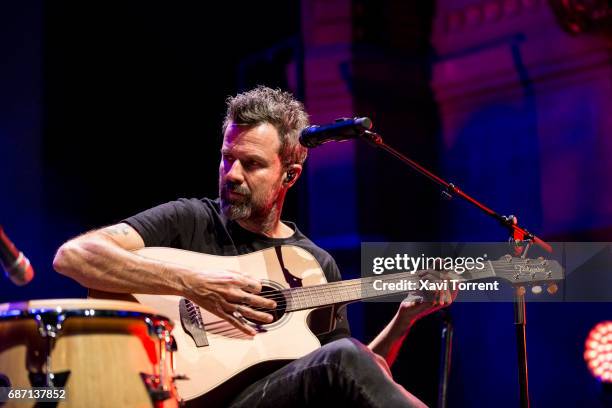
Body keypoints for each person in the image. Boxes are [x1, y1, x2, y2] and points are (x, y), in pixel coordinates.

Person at [53, 86, 452, 407]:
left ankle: (509, 267)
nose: (232, 174)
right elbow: (72, 257)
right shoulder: (190, 218)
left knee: (346, 355)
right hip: (186, 395)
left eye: (252, 164)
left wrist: (403, 321)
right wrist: (193, 283)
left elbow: (354, 377)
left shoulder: (315, 263)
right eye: (227, 159)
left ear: (289, 175)